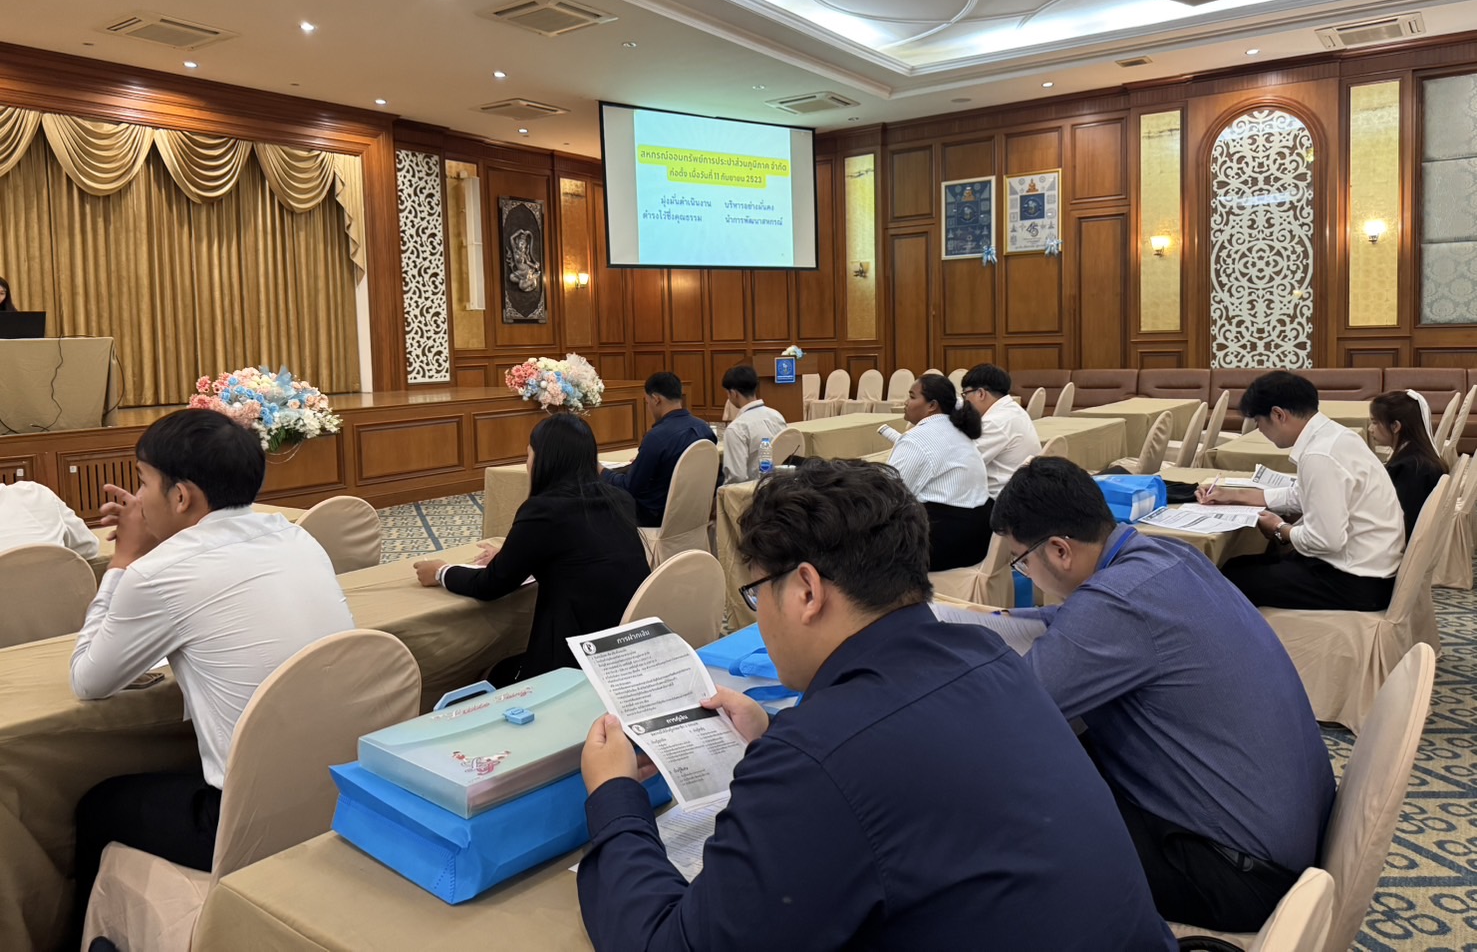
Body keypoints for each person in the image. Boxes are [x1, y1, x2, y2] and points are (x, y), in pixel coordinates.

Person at [576, 461, 1175, 951]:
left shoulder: (817, 761)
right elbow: (898, 756)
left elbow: (668, 943)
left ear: (807, 591)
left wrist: (614, 797)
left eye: (757, 594)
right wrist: (774, 730)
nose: (760, 615)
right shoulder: (989, 659)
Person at [991, 456, 1334, 932]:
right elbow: (1088, 622)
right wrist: (1008, 620)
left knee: (1014, 787)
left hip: (1236, 873)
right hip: (1285, 832)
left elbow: (1013, 709)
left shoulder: (1117, 603)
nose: (1026, 572)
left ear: (1059, 550)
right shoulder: (1165, 557)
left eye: (1021, 561)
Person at [69, 410, 353, 934]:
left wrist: (125, 559)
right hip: (344, 789)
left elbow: (88, 680)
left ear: (181, 497)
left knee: (96, 804)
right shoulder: (299, 539)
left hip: (244, 820)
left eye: (143, 483)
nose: (138, 499)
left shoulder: (156, 574)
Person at [412, 413, 649, 681]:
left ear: (543, 461)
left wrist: (441, 572)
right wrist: (512, 554)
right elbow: (579, 555)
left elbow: (491, 585)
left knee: (492, 674)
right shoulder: (620, 499)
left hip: (575, 661)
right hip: (631, 648)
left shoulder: (543, 510)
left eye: (528, 455)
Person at [1204, 371, 1404, 611]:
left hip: (1354, 581)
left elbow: (1325, 540)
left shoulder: (1319, 455)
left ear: (1278, 415)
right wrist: (1235, 496)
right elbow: (1301, 494)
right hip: (1368, 567)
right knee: (1233, 567)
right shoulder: (1335, 435)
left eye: (1259, 422)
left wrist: (1280, 529)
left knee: (1224, 580)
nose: (1260, 430)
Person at [884, 374, 991, 569]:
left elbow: (888, 497)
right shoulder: (958, 429)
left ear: (932, 405)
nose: (906, 402)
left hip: (946, 544)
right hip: (979, 536)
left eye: (912, 397)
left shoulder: (917, 439)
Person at [602, 372, 716, 527]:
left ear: (656, 399)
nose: (648, 407)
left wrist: (601, 470)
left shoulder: (656, 438)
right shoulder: (704, 428)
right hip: (693, 516)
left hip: (656, 519)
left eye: (647, 402)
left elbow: (629, 487)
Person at [960, 362, 1041, 526]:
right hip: (1024, 496)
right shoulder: (1013, 410)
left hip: (1003, 505)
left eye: (965, 395)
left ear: (981, 393)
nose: (964, 401)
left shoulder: (995, 422)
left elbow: (964, 465)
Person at [1370, 389, 1446, 539]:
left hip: (1398, 545)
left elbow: (1403, 524)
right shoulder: (1419, 458)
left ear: (1395, 426)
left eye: (1375, 423)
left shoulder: (1411, 469)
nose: (1370, 429)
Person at [717, 364, 787, 483]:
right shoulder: (777, 415)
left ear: (734, 393)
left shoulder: (736, 428)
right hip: (782, 484)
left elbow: (737, 477)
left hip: (754, 489)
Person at [0, 479, 99, 558]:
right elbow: (88, 548)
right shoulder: (36, 493)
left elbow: (88, 547)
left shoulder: (37, 493)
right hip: (57, 576)